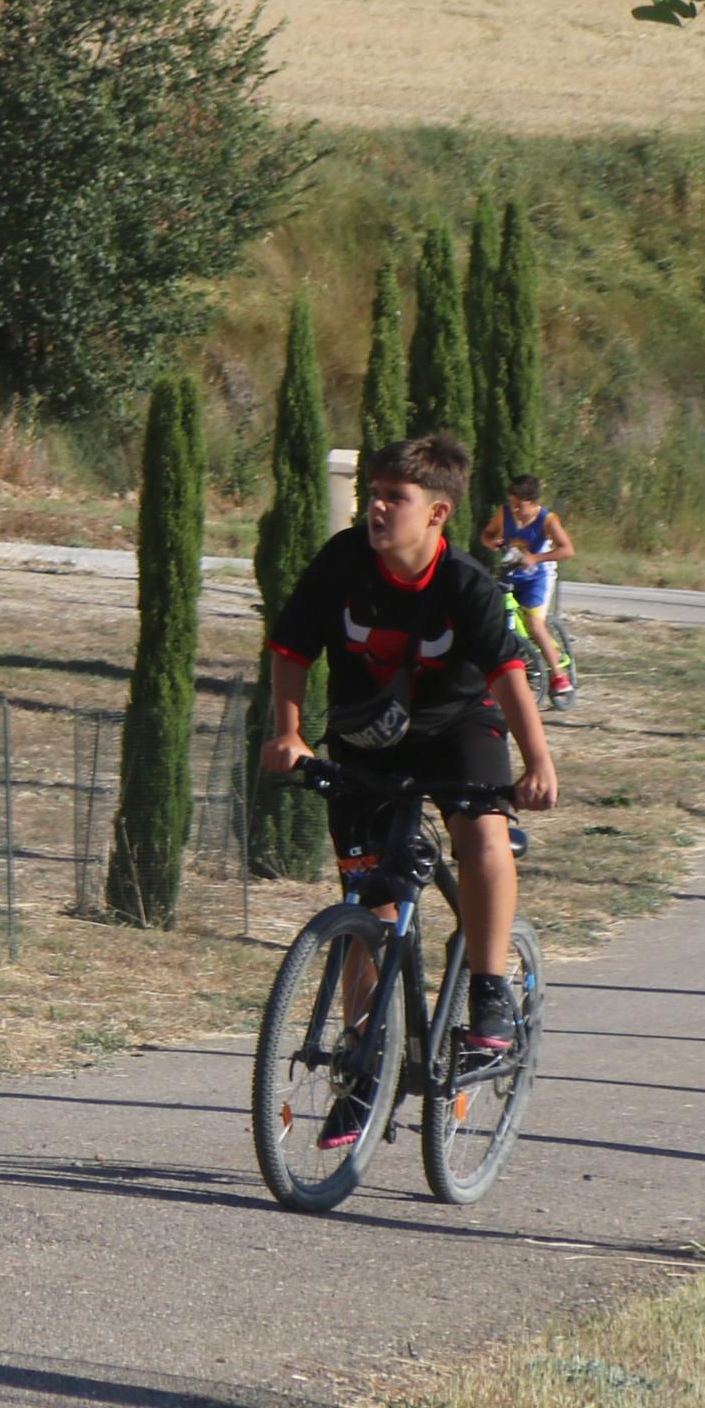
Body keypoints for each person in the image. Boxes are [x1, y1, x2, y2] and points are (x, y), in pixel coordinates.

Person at [256, 430, 561, 1151]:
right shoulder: (342, 562)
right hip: (369, 735)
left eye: (395, 497)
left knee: (483, 831)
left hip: (459, 725)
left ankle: (488, 993)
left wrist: (536, 760)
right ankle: (366, 1070)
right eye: (373, 495)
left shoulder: (464, 584)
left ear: (437, 514)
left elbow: (508, 676)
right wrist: (288, 733)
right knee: (371, 905)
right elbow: (290, 649)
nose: (376, 508)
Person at [489, 474, 578, 706]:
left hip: (539, 577)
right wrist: (493, 542)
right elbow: (487, 535)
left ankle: (560, 677)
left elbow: (567, 549)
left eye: (520, 505)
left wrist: (536, 558)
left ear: (533, 502)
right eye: (512, 503)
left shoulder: (547, 520)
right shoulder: (504, 513)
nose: (515, 509)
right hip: (511, 572)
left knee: (535, 625)